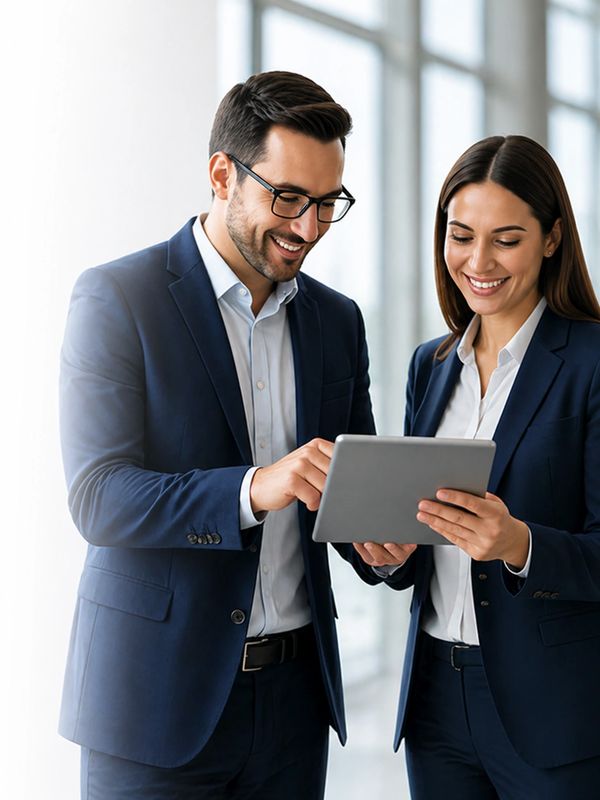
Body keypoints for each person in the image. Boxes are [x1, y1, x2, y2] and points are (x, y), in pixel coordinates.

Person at [58, 70, 378, 800]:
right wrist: (251, 489)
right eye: (289, 197)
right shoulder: (117, 298)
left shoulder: (337, 320)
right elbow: (99, 497)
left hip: (295, 706)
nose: (308, 228)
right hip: (152, 703)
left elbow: (347, 484)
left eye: (328, 204)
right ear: (221, 174)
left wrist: (382, 549)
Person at [355, 135, 600, 798]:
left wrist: (518, 544)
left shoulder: (590, 364)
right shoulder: (430, 367)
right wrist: (388, 556)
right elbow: (416, 542)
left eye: (506, 239)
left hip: (553, 712)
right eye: (461, 236)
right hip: (436, 699)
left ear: (551, 239)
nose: (479, 261)